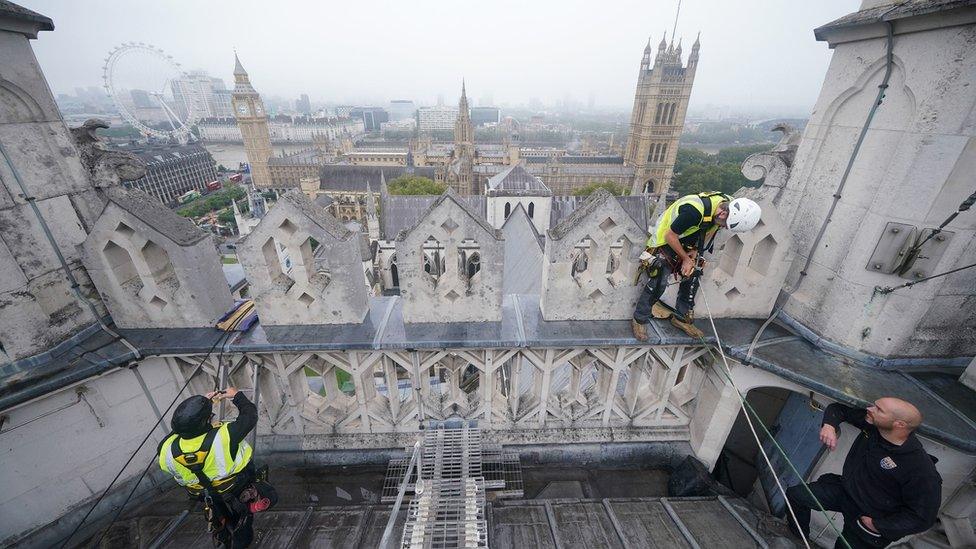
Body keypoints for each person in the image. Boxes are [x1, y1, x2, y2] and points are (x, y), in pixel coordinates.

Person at [785, 398, 942, 548]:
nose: (869, 409)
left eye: (878, 409)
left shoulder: (920, 469)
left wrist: (878, 525)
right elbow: (839, 409)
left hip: (871, 516)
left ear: (899, 424)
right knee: (796, 496)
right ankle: (799, 539)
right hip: (846, 492)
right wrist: (829, 425)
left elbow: (923, 518)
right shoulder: (874, 426)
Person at [632, 192, 761, 340]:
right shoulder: (693, 212)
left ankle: (681, 318)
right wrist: (685, 259)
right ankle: (639, 319)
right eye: (725, 224)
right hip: (665, 238)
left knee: (694, 273)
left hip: (688, 237)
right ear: (723, 213)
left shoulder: (729, 205)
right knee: (660, 275)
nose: (724, 228)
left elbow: (711, 228)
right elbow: (670, 236)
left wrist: (694, 251)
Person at [158, 388, 275, 548]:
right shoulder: (225, 436)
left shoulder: (165, 448)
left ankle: (224, 533)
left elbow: (175, 434)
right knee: (243, 517)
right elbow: (250, 415)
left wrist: (203, 407)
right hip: (235, 488)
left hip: (203, 495)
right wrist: (237, 395)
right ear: (205, 422)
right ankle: (242, 539)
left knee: (220, 517)